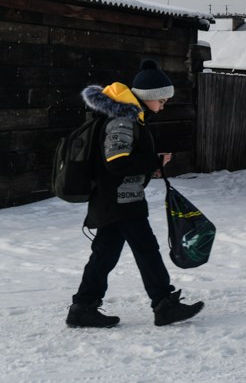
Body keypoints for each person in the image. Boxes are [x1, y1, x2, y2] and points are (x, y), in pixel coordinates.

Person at [66, 59, 205, 328]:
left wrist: (149, 163)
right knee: (146, 250)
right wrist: (153, 162)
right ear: (148, 97)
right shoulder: (123, 119)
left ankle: (82, 308)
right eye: (162, 100)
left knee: (105, 254)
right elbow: (116, 162)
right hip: (120, 199)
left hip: (116, 199)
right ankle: (164, 304)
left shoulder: (130, 117)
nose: (163, 105)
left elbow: (120, 161)